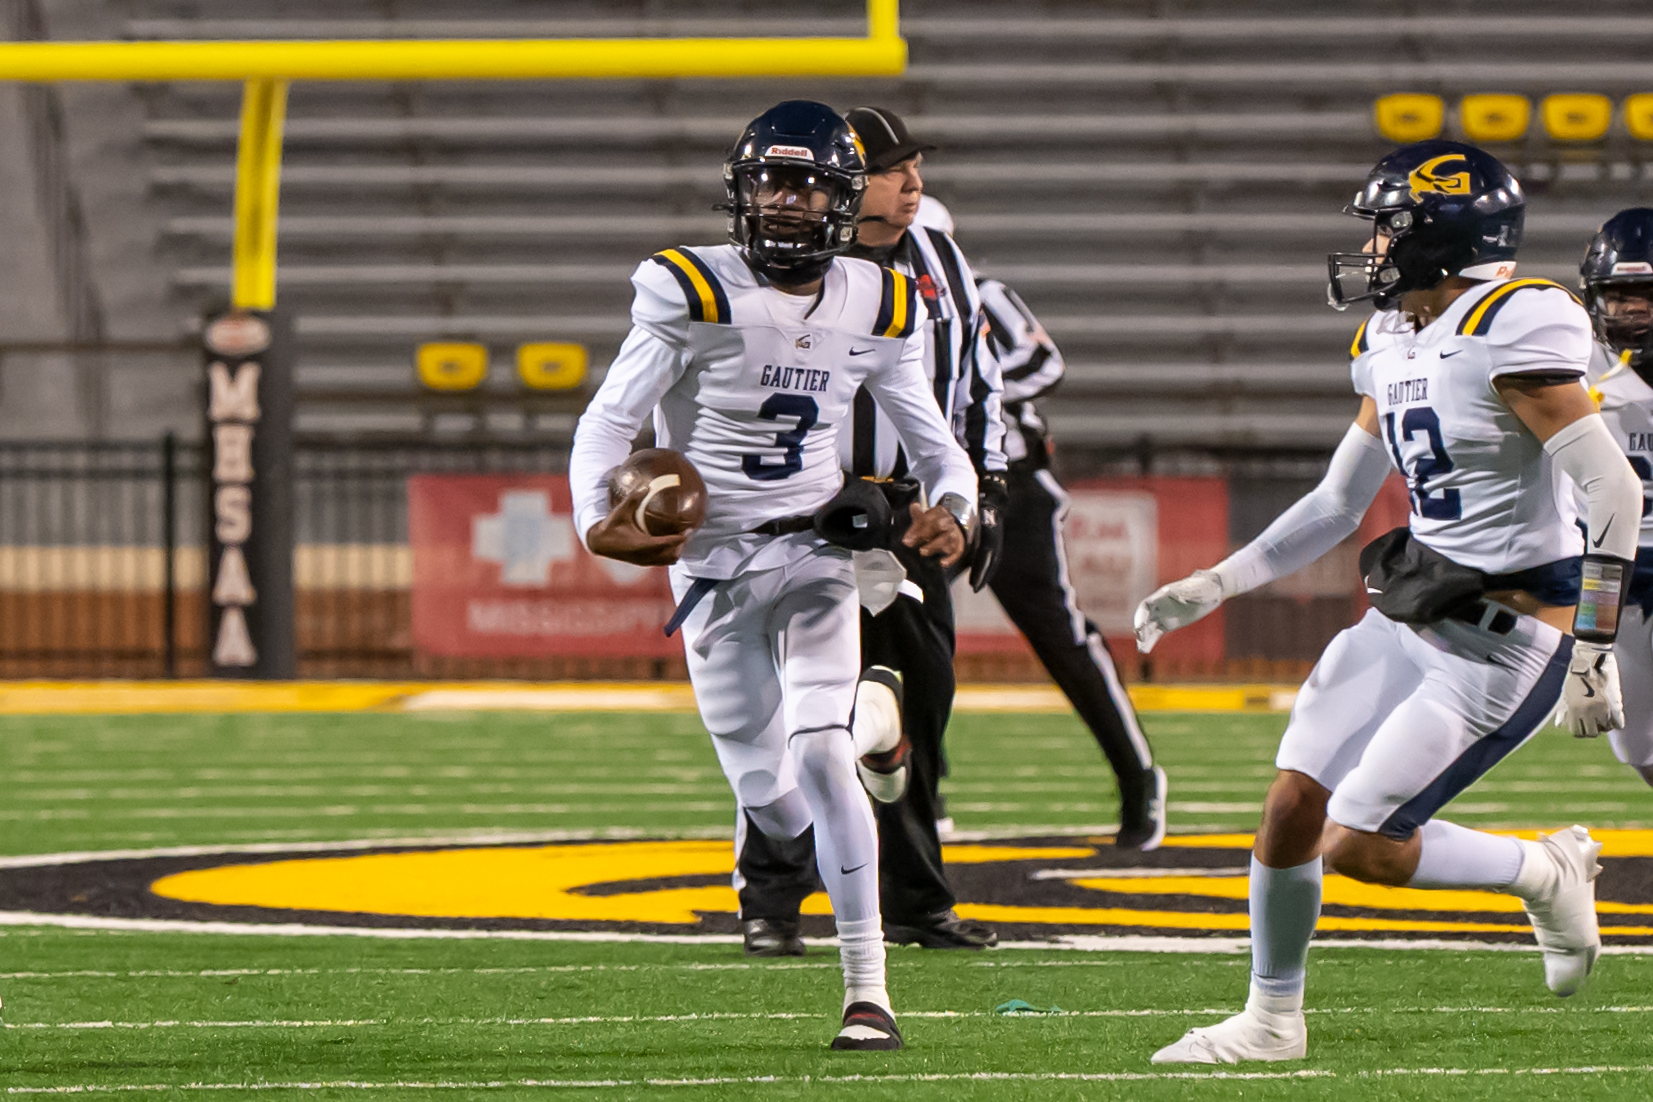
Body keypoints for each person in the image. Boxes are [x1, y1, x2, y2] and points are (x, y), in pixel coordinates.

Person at [1136, 140, 1642, 1064]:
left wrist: (1593, 647)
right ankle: (1271, 1021)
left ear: (1438, 236)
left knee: (1362, 844)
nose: (1370, 249)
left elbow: (1614, 493)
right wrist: (1219, 581)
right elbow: (1335, 502)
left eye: (1385, 230)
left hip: (1512, 641)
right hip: (1413, 613)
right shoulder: (1391, 338)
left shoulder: (1515, 325)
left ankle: (1542, 869)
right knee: (1290, 805)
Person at [568, 100, 979, 1051]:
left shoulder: (879, 299)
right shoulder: (688, 290)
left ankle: (867, 994)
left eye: (807, 185)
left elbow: (937, 443)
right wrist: (597, 518)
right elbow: (605, 422)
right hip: (711, 569)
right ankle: (880, 724)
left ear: (840, 200)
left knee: (820, 755)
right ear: (741, 189)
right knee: (773, 803)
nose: (787, 203)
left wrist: (950, 509)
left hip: (816, 551)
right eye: (772, 182)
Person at [734, 105, 1008, 954]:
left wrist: (978, 495)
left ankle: (916, 900)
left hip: (913, 516)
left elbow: (977, 384)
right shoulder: (793, 273)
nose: (912, 182)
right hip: (808, 517)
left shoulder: (940, 257)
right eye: (893, 170)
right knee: (793, 714)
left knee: (918, 708)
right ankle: (773, 899)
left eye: (914, 165)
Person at [918, 199, 1167, 850]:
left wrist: (965, 387)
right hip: (922, 491)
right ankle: (925, 787)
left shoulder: (982, 295)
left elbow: (1043, 364)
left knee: (1060, 638)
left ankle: (1137, 775)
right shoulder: (868, 300)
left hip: (1010, 484)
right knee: (908, 637)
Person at [1579, 208, 1653, 785]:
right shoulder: (1572, 374)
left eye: (1645, 295)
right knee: (1643, 751)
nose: (1630, 311)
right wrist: (1591, 638)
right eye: (1618, 295)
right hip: (1619, 576)